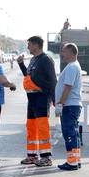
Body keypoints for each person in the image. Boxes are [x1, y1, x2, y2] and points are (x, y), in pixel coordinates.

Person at [17, 36, 57, 167]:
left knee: (42, 127)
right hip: (32, 99)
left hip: (41, 97)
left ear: (36, 45)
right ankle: (32, 156)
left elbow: (52, 81)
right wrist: (21, 64)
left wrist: (55, 99)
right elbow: (28, 76)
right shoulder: (34, 59)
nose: (28, 47)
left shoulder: (46, 60)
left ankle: (46, 157)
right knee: (31, 126)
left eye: (29, 45)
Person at [55, 43, 82, 171]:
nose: (62, 54)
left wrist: (60, 103)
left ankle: (72, 163)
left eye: (64, 52)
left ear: (72, 52)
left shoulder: (71, 67)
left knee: (69, 133)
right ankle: (75, 160)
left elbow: (68, 87)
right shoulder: (73, 66)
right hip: (72, 105)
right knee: (73, 133)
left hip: (69, 105)